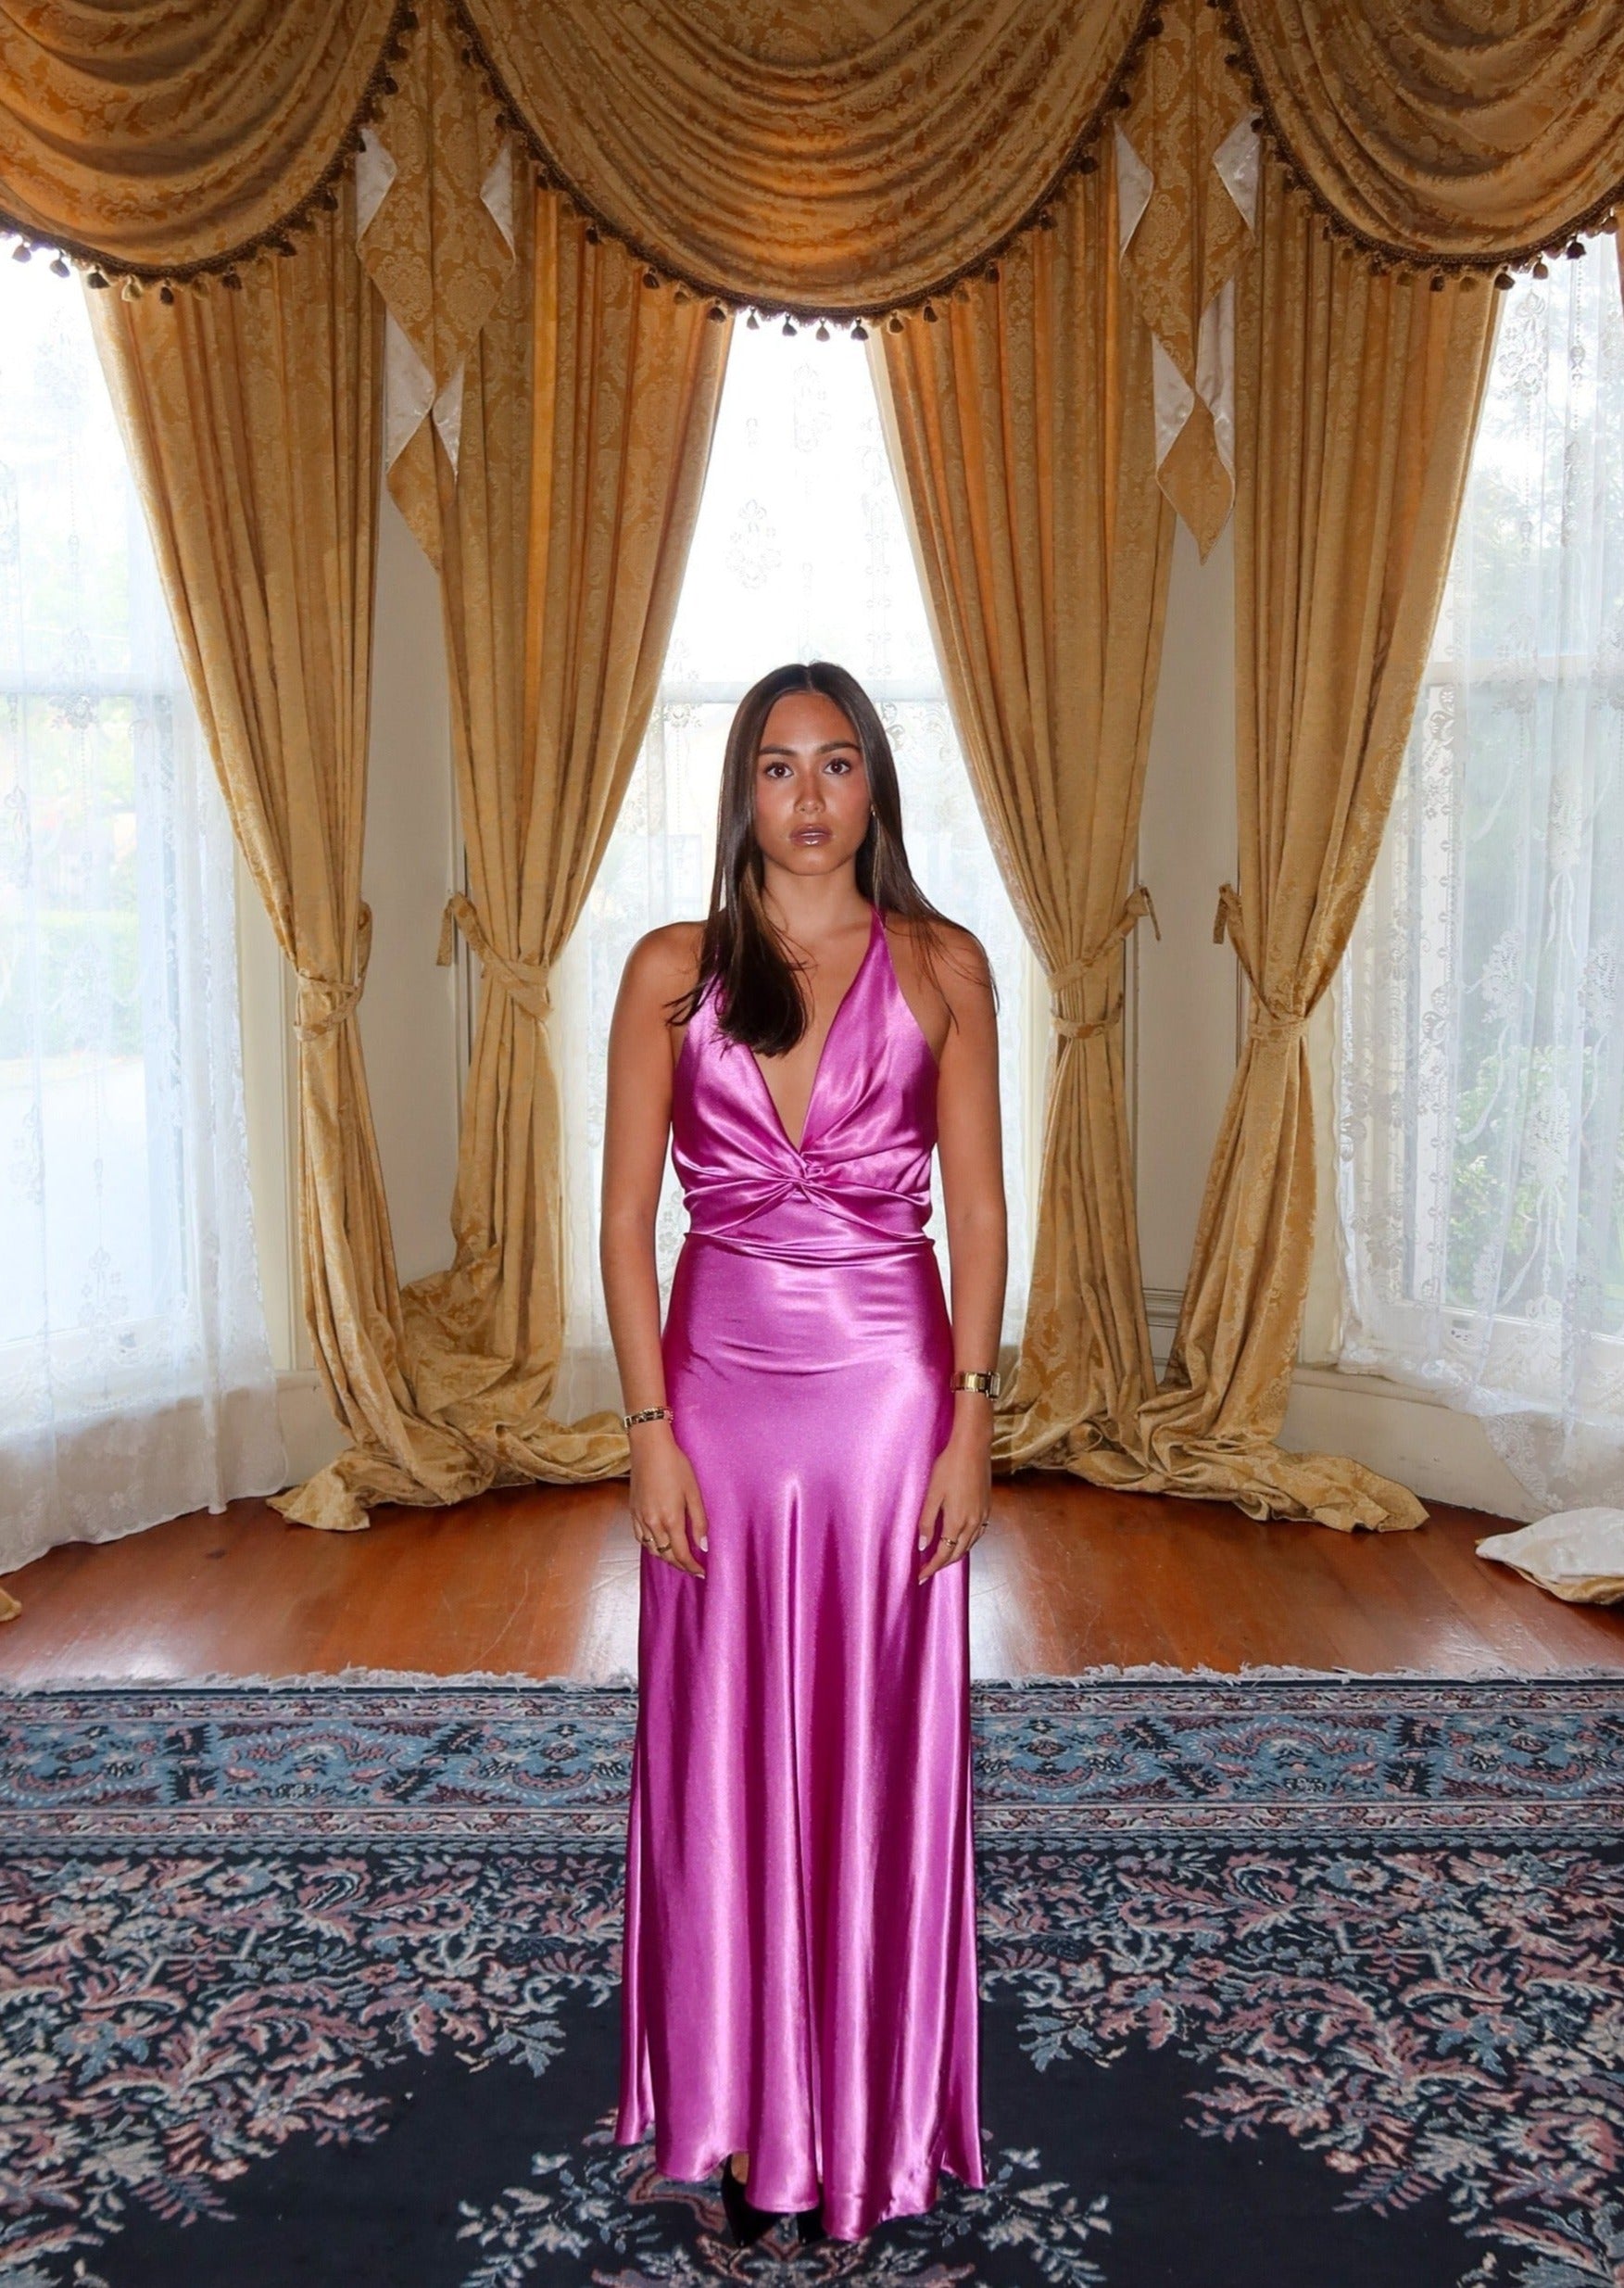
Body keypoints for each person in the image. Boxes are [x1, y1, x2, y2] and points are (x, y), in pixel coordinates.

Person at [602, 660, 1007, 2246]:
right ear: (743, 793)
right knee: (716, 1744)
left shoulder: (945, 963)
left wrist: (973, 1415)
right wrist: (646, 1429)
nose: (810, 795)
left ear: (874, 784)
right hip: (714, 1390)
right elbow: (623, 1226)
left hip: (887, 1398)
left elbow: (978, 1210)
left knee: (871, 1741)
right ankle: (721, 2107)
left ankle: (865, 2107)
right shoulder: (669, 969)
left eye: (838, 763)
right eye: (778, 767)